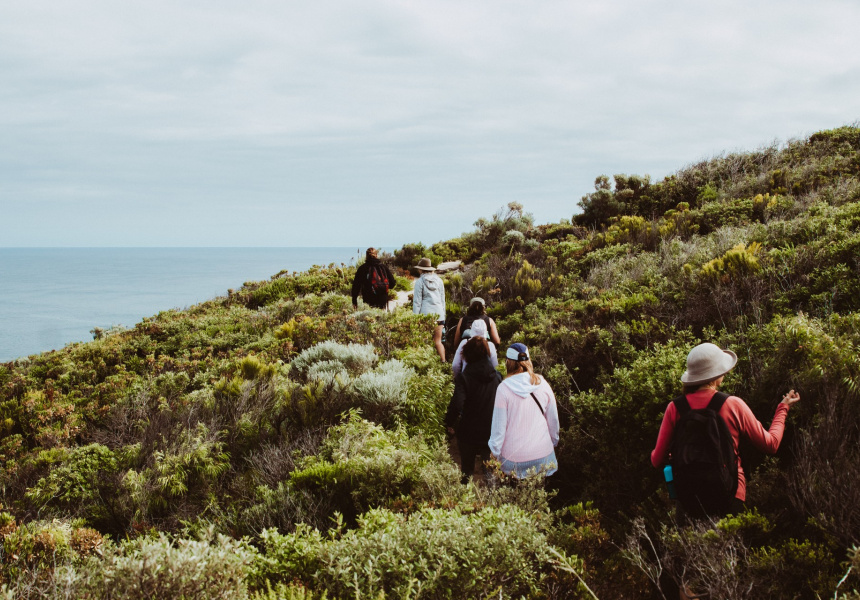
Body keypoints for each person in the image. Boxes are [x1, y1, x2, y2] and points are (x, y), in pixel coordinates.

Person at [651, 342, 800, 519]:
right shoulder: (733, 404)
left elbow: (656, 460)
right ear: (715, 376)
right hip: (730, 495)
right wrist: (783, 408)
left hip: (689, 500)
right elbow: (771, 444)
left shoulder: (674, 408)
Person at [489, 343, 560, 478]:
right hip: (543, 456)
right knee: (539, 490)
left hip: (513, 460)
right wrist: (553, 442)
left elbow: (498, 430)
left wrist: (494, 455)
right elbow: (553, 420)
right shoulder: (542, 383)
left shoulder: (503, 389)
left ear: (508, 362)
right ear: (528, 360)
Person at [445, 336, 502, 483]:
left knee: (466, 472)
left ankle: (465, 491)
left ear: (467, 354)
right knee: (490, 473)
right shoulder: (497, 377)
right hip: (490, 431)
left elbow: (457, 404)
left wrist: (448, 422)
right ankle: (492, 494)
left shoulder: (464, 378)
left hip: (468, 432)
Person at [412, 257, 446, 362]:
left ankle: (427, 364)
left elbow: (417, 302)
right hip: (439, 315)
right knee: (438, 341)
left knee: (424, 341)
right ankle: (443, 361)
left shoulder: (419, 282)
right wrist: (443, 315)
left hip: (425, 315)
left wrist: (415, 318)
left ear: (421, 269)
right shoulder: (439, 281)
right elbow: (442, 300)